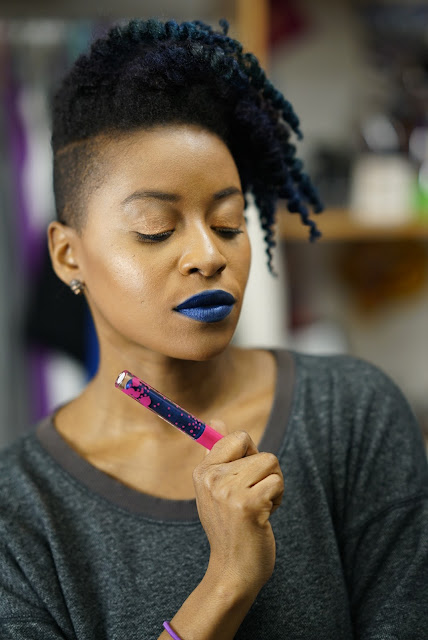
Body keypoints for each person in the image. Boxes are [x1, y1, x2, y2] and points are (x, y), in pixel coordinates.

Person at [0, 17, 427, 640]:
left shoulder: (352, 412)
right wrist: (226, 584)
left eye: (228, 223)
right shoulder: (18, 511)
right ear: (68, 256)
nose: (209, 255)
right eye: (155, 229)